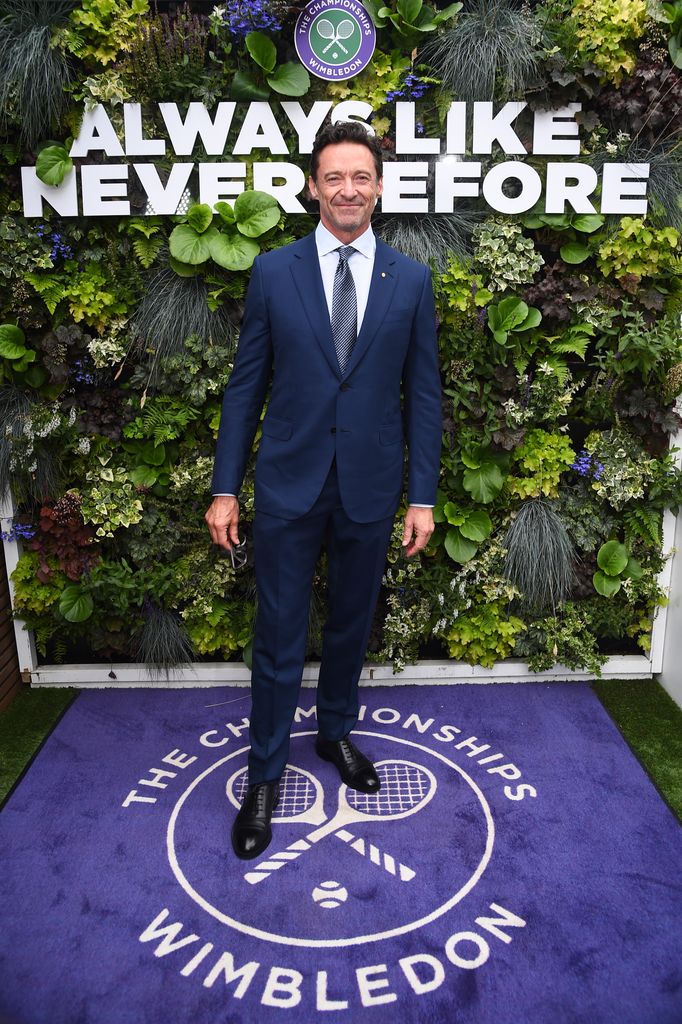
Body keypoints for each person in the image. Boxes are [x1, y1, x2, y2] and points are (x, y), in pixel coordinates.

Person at [205, 120, 442, 860]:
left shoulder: (412, 280)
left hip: (369, 491)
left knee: (348, 626)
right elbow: (246, 387)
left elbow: (424, 396)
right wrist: (224, 488)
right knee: (277, 636)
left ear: (378, 187)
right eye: (333, 177)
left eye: (360, 177)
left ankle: (335, 732)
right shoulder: (275, 272)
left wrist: (423, 497)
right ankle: (266, 774)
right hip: (288, 485)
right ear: (313, 186)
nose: (347, 189)